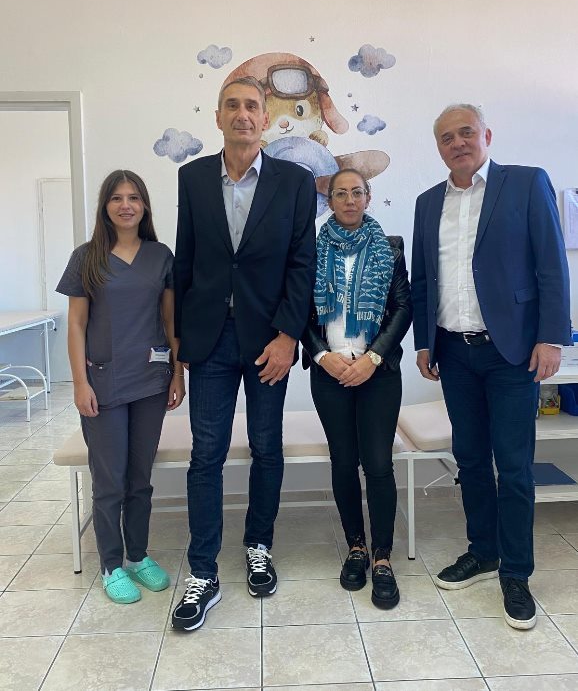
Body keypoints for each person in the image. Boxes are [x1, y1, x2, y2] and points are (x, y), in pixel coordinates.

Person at [411, 104, 571, 630]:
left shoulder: (525, 184)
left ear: (487, 135)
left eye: (466, 133)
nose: (457, 143)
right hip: (453, 352)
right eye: (446, 137)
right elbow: (422, 278)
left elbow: (552, 264)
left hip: (512, 353)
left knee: (515, 466)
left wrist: (551, 337)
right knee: (471, 459)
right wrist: (424, 342)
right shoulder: (428, 202)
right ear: (438, 147)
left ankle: (517, 574)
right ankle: (483, 551)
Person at [171, 76, 317, 631]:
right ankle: (202, 571)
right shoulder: (192, 178)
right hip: (209, 339)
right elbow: (186, 261)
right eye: (232, 105)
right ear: (218, 117)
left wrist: (288, 336)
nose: (242, 114)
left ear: (265, 116)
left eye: (252, 105)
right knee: (205, 454)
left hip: (268, 341)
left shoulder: (295, 182)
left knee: (265, 446)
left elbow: (301, 264)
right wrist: (181, 342)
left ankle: (259, 546)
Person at [57, 169, 185, 604]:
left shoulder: (160, 256)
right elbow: (76, 325)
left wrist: (178, 374)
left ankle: (138, 555)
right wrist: (80, 383)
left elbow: (170, 321)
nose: (126, 205)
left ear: (145, 205)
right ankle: (111, 564)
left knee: (139, 479)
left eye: (133, 197)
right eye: (116, 198)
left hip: (151, 381)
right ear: (105, 206)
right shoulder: (86, 257)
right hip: (104, 382)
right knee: (109, 480)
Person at [301, 169, 412, 609]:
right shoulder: (311, 250)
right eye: (340, 193)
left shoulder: (390, 247)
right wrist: (321, 355)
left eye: (357, 192)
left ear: (369, 197)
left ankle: (382, 556)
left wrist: (373, 358)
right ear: (329, 201)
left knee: (378, 464)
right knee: (344, 462)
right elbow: (299, 309)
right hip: (328, 371)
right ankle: (356, 548)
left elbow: (403, 307)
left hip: (378, 372)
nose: (349, 200)